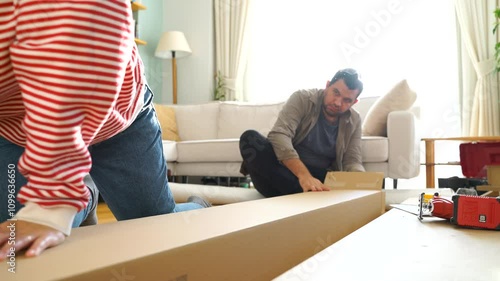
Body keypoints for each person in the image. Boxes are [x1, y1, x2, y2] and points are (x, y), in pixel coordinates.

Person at [0, 1, 209, 260]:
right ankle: (86, 198)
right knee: (14, 247)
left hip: (117, 117)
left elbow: (90, 49)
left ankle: (197, 209)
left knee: (153, 227)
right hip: (17, 128)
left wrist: (51, 203)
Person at [239, 68, 365, 197]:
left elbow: (352, 160)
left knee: (341, 179)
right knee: (249, 139)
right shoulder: (302, 98)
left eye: (347, 100)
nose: (338, 103)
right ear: (327, 86)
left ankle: (302, 193)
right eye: (336, 92)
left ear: (354, 102)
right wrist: (304, 176)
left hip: (318, 178)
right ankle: (307, 194)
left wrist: (363, 182)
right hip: (285, 169)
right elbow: (279, 135)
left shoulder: (354, 120)